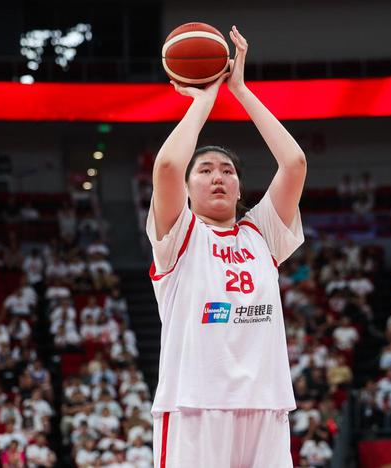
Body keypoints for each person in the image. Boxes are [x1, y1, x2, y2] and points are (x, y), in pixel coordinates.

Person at [146, 26, 306, 467]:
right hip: (194, 404)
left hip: (265, 402)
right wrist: (203, 99)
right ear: (187, 188)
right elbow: (168, 165)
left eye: (227, 171)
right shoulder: (179, 234)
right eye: (205, 170)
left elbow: (294, 163)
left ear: (239, 189)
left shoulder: (262, 234)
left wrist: (241, 90)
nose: (218, 176)